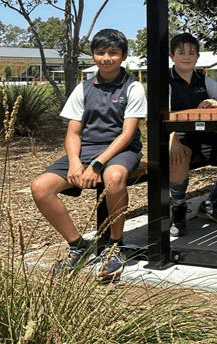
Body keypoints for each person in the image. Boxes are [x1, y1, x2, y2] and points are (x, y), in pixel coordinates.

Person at [30, 28, 147, 282]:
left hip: (121, 150)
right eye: (100, 52)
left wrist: (97, 164)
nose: (107, 58)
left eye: (113, 53)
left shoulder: (133, 87)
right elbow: (73, 132)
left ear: (123, 56)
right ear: (93, 56)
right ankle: (77, 245)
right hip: (86, 151)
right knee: (40, 187)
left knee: (114, 177)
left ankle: (115, 245)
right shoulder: (83, 89)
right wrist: (74, 162)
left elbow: (127, 134)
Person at [168, 33, 217, 236]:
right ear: (172, 56)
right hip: (178, 135)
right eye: (181, 52)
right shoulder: (165, 82)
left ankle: (211, 202)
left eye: (192, 53)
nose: (186, 57)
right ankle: (179, 209)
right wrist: (172, 141)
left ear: (198, 57)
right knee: (178, 157)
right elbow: (156, 115)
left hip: (205, 134)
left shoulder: (203, 80)